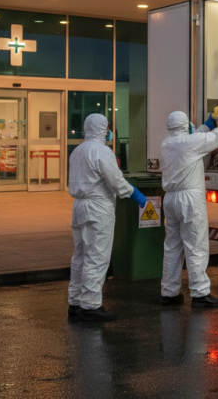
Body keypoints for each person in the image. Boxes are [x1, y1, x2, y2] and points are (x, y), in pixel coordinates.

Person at [160, 109, 218, 308]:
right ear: (184, 126)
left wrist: (206, 125)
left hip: (171, 199)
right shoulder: (189, 143)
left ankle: (169, 292)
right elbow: (213, 138)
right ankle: (200, 294)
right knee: (196, 245)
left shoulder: (167, 144)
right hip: (189, 200)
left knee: (172, 247)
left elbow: (196, 138)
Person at [68, 113, 148, 321]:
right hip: (98, 207)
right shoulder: (102, 151)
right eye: (107, 127)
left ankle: (75, 302)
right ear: (103, 128)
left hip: (79, 206)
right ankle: (91, 306)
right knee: (97, 255)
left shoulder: (77, 151)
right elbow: (116, 181)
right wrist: (135, 194)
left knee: (80, 256)